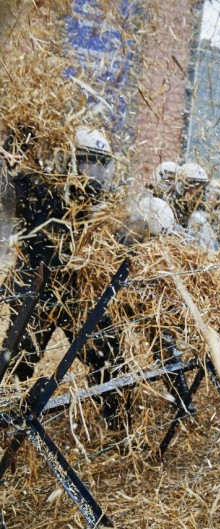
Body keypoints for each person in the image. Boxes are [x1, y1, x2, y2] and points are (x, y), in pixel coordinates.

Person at [2, 125, 127, 427]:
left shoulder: (96, 204)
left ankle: (118, 427)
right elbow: (8, 179)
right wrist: (21, 138)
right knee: (18, 362)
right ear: (69, 160)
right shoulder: (38, 188)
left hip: (77, 291)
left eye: (100, 166)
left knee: (109, 353)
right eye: (88, 163)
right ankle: (11, 423)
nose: (93, 175)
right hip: (37, 290)